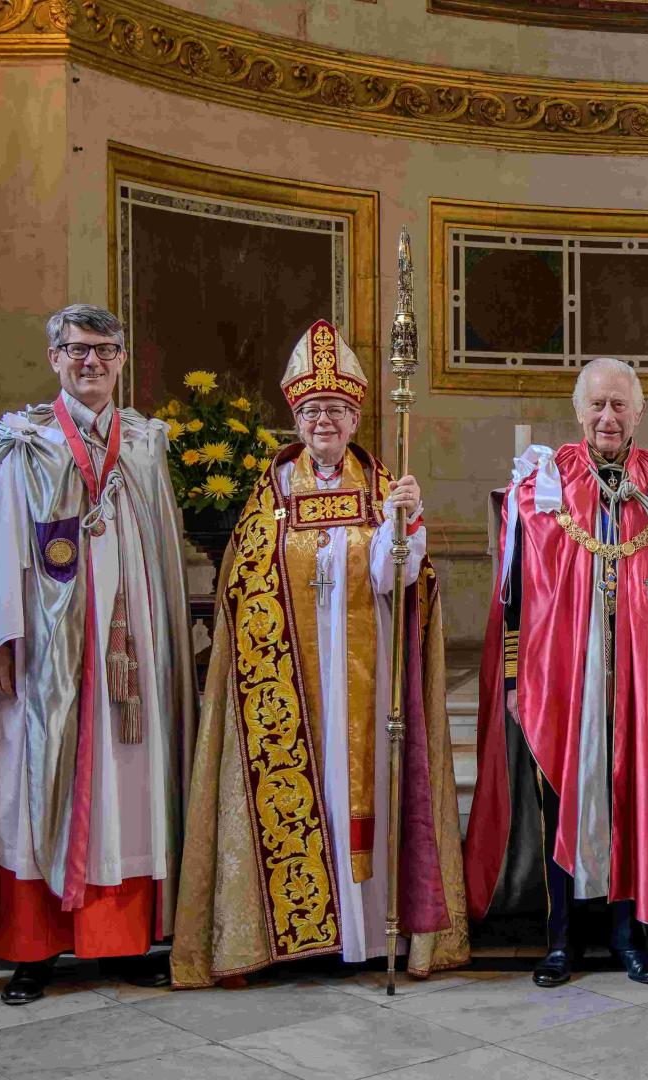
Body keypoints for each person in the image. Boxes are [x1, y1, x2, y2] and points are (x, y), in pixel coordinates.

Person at [170, 320, 469, 988]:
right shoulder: (269, 497)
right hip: (291, 687)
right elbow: (245, 583)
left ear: (356, 414)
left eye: (336, 409)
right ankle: (291, 936)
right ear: (296, 419)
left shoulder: (383, 486)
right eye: (312, 411)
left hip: (366, 685)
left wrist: (404, 526)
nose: (324, 421)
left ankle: (362, 934)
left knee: (365, 797)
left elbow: (405, 581)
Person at [0, 304, 196, 1004]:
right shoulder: (25, 442)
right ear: (54, 357)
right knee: (32, 790)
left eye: (105, 351)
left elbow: (161, 555)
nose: (91, 363)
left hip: (128, 659)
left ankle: (124, 942)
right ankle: (32, 948)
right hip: (45, 662)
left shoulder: (142, 444)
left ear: (122, 360)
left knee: (128, 793)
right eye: (77, 350)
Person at [463, 357, 648, 987]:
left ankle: (629, 936)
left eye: (620, 405)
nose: (608, 417)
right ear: (578, 410)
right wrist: (514, 678)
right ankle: (561, 940)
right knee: (562, 801)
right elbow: (513, 590)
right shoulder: (543, 480)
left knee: (634, 799)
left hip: (646, 685)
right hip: (562, 681)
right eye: (597, 404)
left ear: (640, 412)